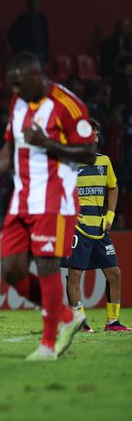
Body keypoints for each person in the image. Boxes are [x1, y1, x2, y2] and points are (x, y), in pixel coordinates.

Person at [0, 52, 96, 361]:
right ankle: (66, 315)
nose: (15, 91)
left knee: (47, 266)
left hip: (54, 198)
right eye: (12, 86)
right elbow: (10, 149)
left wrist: (48, 143)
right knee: (12, 270)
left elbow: (89, 153)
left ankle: (48, 345)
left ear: (36, 76)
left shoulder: (68, 105)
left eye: (19, 84)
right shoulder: (18, 102)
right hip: (21, 198)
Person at [63, 119, 129, 333]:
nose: (95, 138)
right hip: (76, 228)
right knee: (75, 274)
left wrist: (110, 214)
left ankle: (113, 322)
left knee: (114, 272)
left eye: (96, 135)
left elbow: (113, 187)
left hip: (100, 227)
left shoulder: (104, 162)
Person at [8, 0, 49, 66]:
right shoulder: (22, 19)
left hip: (40, 54)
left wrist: (46, 58)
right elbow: (11, 33)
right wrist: (18, 49)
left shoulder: (42, 18)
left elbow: (45, 38)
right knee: (27, 74)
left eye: (38, 3)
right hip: (27, 53)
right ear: (29, 5)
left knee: (38, 75)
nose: (37, 6)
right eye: (34, 3)